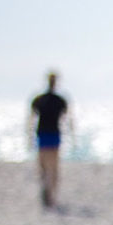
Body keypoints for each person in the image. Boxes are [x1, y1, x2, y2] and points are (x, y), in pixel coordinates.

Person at [28, 71, 70, 208]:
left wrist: (29, 136)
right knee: (54, 168)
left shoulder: (39, 99)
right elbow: (68, 119)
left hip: (43, 135)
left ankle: (47, 191)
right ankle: (51, 195)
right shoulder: (60, 100)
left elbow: (31, 119)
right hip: (53, 135)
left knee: (44, 167)